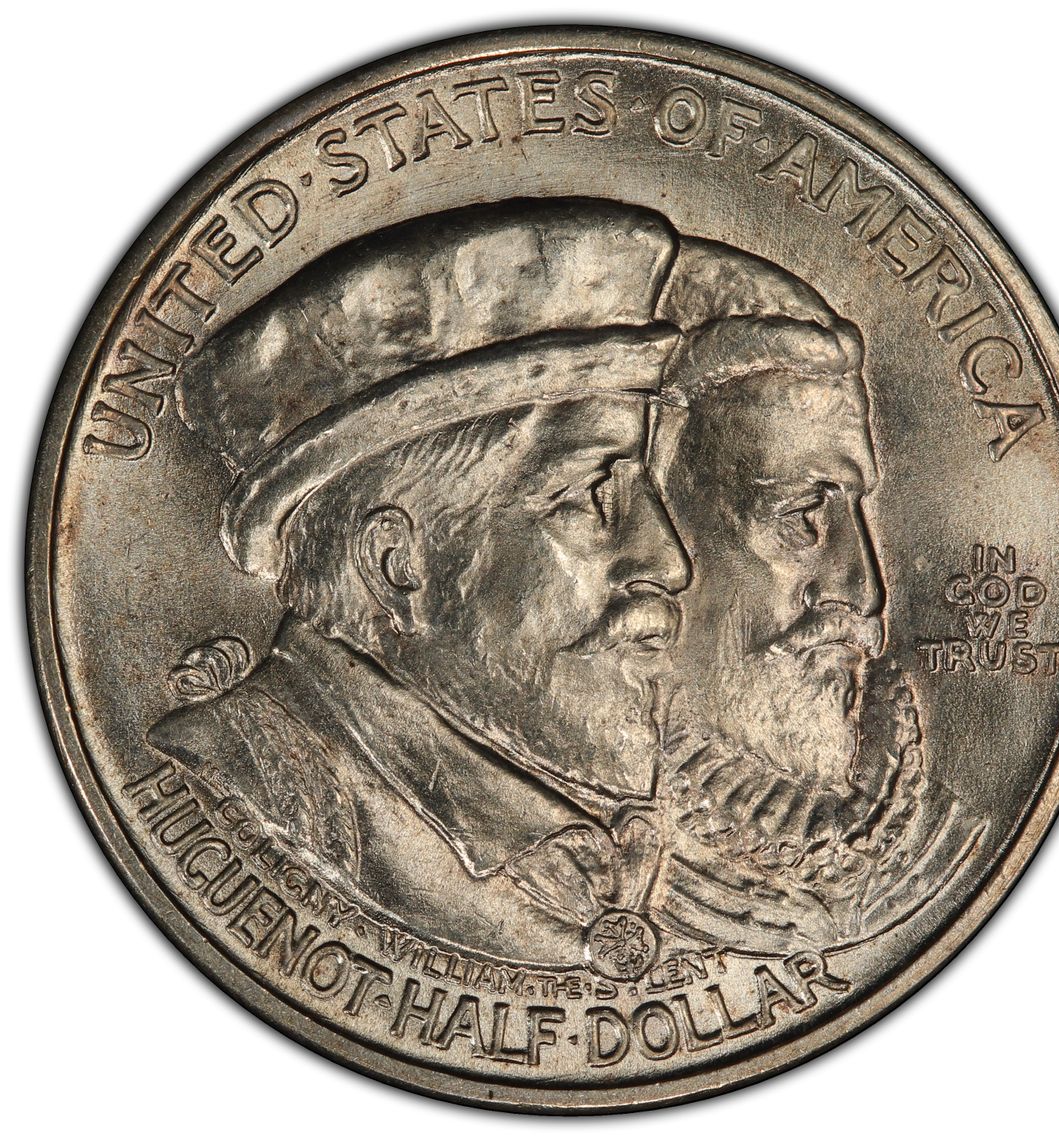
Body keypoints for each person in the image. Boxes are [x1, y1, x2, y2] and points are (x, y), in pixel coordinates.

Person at [149, 200, 693, 972]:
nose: (670, 561)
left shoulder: (571, 821)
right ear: (397, 567)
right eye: (590, 496)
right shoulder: (248, 782)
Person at [645, 236, 986, 954]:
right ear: (657, 521)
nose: (864, 589)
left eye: (855, 508)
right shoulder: (570, 863)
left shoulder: (945, 853)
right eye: (802, 513)